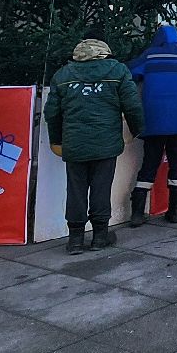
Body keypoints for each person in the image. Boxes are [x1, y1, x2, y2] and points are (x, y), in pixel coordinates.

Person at [44, 36, 144, 253]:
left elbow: (52, 113)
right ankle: (100, 237)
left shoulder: (63, 75)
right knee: (101, 188)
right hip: (106, 143)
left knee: (76, 189)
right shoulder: (117, 71)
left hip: (74, 143)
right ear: (104, 53)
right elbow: (132, 106)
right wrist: (137, 130)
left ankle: (75, 240)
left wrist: (57, 140)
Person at [128, 24, 177, 226]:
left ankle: (137, 214)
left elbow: (130, 71)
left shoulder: (150, 55)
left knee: (149, 165)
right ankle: (174, 212)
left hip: (154, 122)